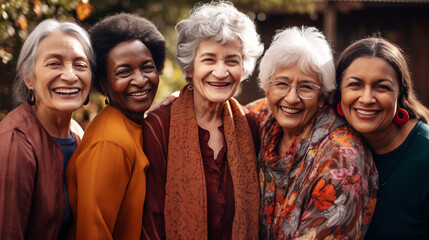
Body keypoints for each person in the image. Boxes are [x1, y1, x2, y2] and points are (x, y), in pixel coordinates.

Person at [141, 1, 264, 239]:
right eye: (209, 60)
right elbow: (151, 220)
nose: (220, 72)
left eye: (232, 60)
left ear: (244, 67)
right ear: (190, 67)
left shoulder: (250, 126)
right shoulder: (160, 126)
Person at [248, 26, 378, 239]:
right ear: (267, 88)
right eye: (282, 84)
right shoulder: (265, 117)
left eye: (306, 87)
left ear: (322, 96)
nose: (291, 98)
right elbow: (220, 112)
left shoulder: (342, 157)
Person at [65, 13, 166, 239]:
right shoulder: (109, 141)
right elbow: (94, 231)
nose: (140, 80)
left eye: (147, 67)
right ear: (104, 84)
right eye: (124, 72)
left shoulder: (134, 124)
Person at [0, 19, 94, 239]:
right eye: (54, 64)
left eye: (80, 65)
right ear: (28, 77)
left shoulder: (77, 134)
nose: (70, 76)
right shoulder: (15, 143)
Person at [334, 37, 429, 239]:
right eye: (355, 85)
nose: (367, 98)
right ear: (339, 93)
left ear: (400, 94)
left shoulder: (425, 155)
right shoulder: (332, 148)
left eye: (382, 87)